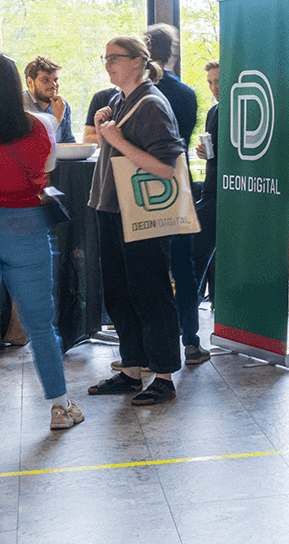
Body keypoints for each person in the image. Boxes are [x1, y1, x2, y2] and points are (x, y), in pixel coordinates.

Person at [85, 35, 185, 405]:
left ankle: (163, 376)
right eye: (105, 57)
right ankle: (131, 370)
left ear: (138, 61)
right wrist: (105, 130)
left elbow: (166, 169)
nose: (108, 63)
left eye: (115, 57)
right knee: (119, 292)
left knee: (151, 292)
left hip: (140, 216)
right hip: (111, 210)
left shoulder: (152, 103)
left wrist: (115, 138)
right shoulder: (117, 100)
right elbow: (116, 153)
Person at [0, 53, 84, 430]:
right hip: (26, 226)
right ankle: (61, 407)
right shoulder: (42, 123)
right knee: (41, 326)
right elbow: (46, 170)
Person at [146, 23, 208, 366]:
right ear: (171, 53)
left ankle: (151, 346)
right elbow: (181, 141)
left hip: (142, 184)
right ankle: (191, 341)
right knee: (183, 267)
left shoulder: (136, 93)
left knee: (148, 266)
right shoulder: (185, 94)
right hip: (178, 182)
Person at [193, 60, 220, 307]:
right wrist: (204, 151)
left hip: (227, 194)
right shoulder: (213, 112)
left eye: (218, 81)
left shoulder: (241, 111)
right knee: (200, 252)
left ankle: (187, 311)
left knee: (198, 251)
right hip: (211, 189)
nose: (213, 87)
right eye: (210, 82)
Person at [22, 55, 75, 143]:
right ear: (30, 83)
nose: (53, 85)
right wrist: (56, 120)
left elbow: (68, 142)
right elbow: (31, 146)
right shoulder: (19, 106)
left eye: (55, 80)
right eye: (45, 80)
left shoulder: (61, 105)